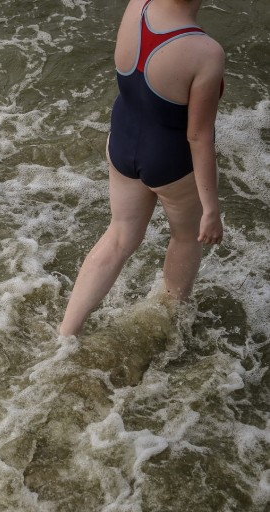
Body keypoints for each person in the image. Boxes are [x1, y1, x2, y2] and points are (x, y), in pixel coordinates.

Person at [60, 0, 225, 336]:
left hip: (122, 142)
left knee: (119, 235)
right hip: (170, 158)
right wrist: (211, 209)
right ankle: (168, 324)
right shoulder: (206, 51)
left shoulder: (138, 5)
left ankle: (66, 334)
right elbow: (199, 137)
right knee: (184, 237)